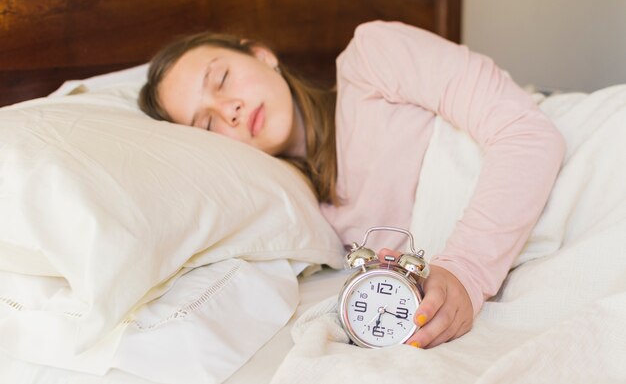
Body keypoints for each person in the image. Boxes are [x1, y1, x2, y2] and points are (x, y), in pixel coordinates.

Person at [139, 21, 566, 349]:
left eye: (222, 79)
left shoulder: (372, 57)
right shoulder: (308, 223)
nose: (228, 109)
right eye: (207, 122)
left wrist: (466, 271)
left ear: (261, 54)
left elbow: (527, 134)